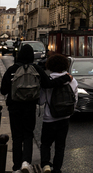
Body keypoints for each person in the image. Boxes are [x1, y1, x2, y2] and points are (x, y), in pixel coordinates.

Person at [0, 44, 71, 173]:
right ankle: (26, 162)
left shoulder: (11, 70)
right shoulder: (36, 69)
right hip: (29, 107)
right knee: (28, 134)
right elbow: (49, 84)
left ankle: (16, 166)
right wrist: (66, 78)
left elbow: (3, 90)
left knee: (17, 137)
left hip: (14, 108)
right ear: (32, 56)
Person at [40, 54, 78, 173]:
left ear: (50, 66)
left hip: (49, 118)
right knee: (60, 146)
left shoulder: (48, 81)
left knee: (46, 144)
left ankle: (46, 164)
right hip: (65, 118)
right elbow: (75, 100)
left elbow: (41, 101)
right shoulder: (72, 80)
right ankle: (57, 169)